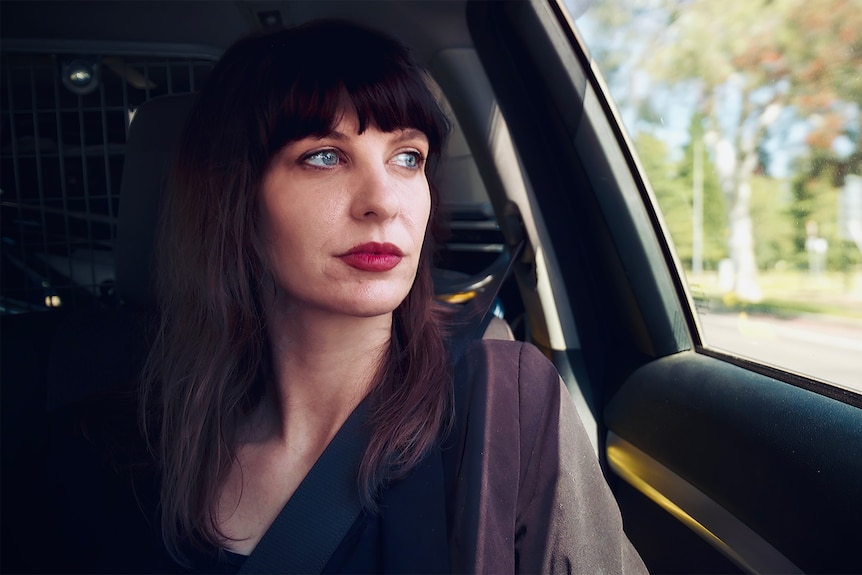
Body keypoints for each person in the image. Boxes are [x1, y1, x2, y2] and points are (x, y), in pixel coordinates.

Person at [45, 20, 648, 574]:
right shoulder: (109, 455)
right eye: (325, 157)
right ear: (237, 200)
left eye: (408, 158)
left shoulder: (504, 407)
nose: (383, 202)